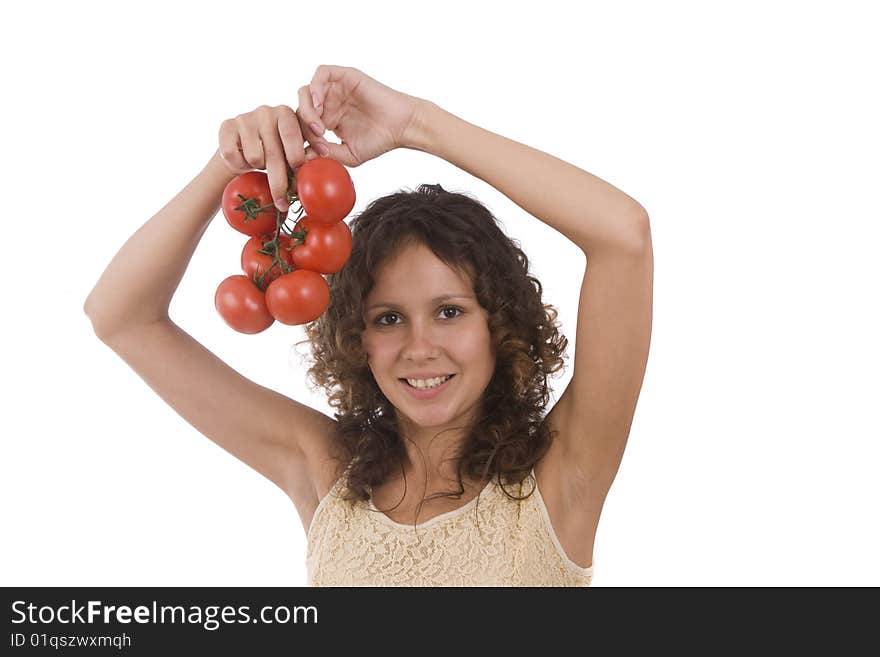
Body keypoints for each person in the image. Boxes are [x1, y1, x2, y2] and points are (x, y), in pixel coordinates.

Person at [84, 65, 653, 587]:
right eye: (388, 319)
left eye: (449, 311)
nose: (419, 347)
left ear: (497, 322)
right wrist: (231, 166)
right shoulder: (326, 470)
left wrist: (416, 124)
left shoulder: (561, 477)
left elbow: (624, 235)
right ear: (358, 339)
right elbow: (120, 315)